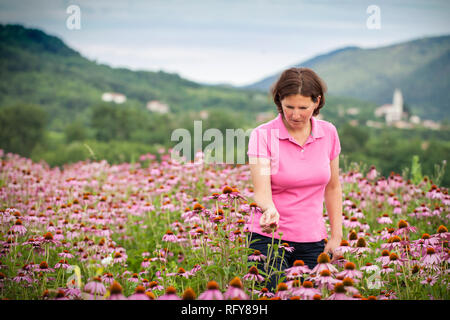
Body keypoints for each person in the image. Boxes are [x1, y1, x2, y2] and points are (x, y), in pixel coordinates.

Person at [246, 67, 343, 291]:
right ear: (279, 101)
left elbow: (333, 187)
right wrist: (269, 210)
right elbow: (261, 190)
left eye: (303, 107)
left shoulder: (329, 133)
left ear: (317, 102)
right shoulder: (262, 135)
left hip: (313, 240)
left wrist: (336, 236)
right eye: (289, 107)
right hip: (269, 239)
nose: (296, 115)